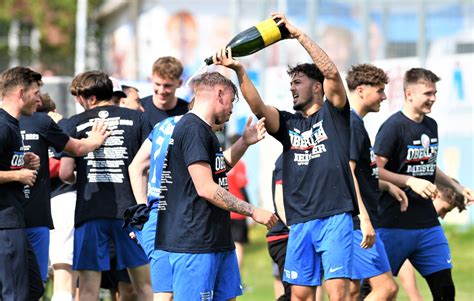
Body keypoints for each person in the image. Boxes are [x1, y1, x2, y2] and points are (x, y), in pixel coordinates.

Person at [216, 12, 362, 300]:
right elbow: (259, 108)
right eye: (291, 83)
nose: (291, 88)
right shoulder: (288, 124)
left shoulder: (335, 115)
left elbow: (332, 73)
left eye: (298, 82)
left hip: (335, 217)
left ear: (316, 87)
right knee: (300, 296)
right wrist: (240, 71)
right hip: (300, 221)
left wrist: (298, 35)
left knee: (338, 294)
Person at [128, 71, 277, 301]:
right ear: (219, 94)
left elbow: (217, 169)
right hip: (194, 243)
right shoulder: (192, 128)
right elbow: (206, 187)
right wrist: (253, 210)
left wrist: (244, 142)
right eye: (231, 101)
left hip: (216, 238)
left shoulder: (204, 130)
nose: (231, 110)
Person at [373, 67, 474, 300]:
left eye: (435, 93)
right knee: (376, 291)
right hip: (393, 224)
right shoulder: (393, 127)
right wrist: (410, 181)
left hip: (428, 225)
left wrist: (456, 188)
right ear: (409, 94)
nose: (433, 99)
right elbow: (375, 170)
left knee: (446, 291)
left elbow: (429, 165)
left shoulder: (431, 125)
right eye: (428, 93)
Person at [59, 70, 153, 300]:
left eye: (78, 98)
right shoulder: (137, 119)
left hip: (90, 213)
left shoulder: (74, 123)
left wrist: (82, 177)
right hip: (130, 212)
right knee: (144, 286)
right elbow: (150, 164)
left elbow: (65, 173)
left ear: (89, 98)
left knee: (89, 289)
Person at [20, 91, 110, 287]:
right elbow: (60, 167)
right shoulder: (56, 125)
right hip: (58, 202)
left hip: (35, 208)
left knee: (37, 277)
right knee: (63, 273)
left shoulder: (18, 124)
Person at [345, 64, 409, 301]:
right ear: (361, 90)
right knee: (386, 288)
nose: (384, 96)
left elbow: (362, 172)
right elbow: (347, 172)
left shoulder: (355, 122)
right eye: (380, 90)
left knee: (351, 291)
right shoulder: (351, 123)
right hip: (355, 222)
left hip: (353, 221)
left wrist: (385, 185)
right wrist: (364, 218)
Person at [0, 66, 42, 300]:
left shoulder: (11, 124)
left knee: (33, 288)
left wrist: (20, 163)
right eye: (35, 92)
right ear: (20, 92)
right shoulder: (3, 126)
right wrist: (18, 175)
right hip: (4, 223)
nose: (39, 98)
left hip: (13, 220)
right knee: (15, 294)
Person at [397, 179, 467, 301]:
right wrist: (416, 298)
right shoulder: (404, 209)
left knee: (446, 291)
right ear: (435, 195)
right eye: (445, 210)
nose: (443, 216)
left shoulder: (431, 228)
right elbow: (403, 261)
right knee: (384, 290)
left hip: (428, 230)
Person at [141, 56, 189, 128]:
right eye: (157, 84)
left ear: (180, 83)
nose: (161, 91)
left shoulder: (188, 113)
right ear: (152, 80)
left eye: (167, 86)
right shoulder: (139, 109)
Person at [227, 134, 250, 271]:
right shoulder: (239, 164)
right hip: (238, 210)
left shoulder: (221, 160)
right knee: (238, 245)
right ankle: (237, 278)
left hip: (223, 209)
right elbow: (242, 187)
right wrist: (250, 209)